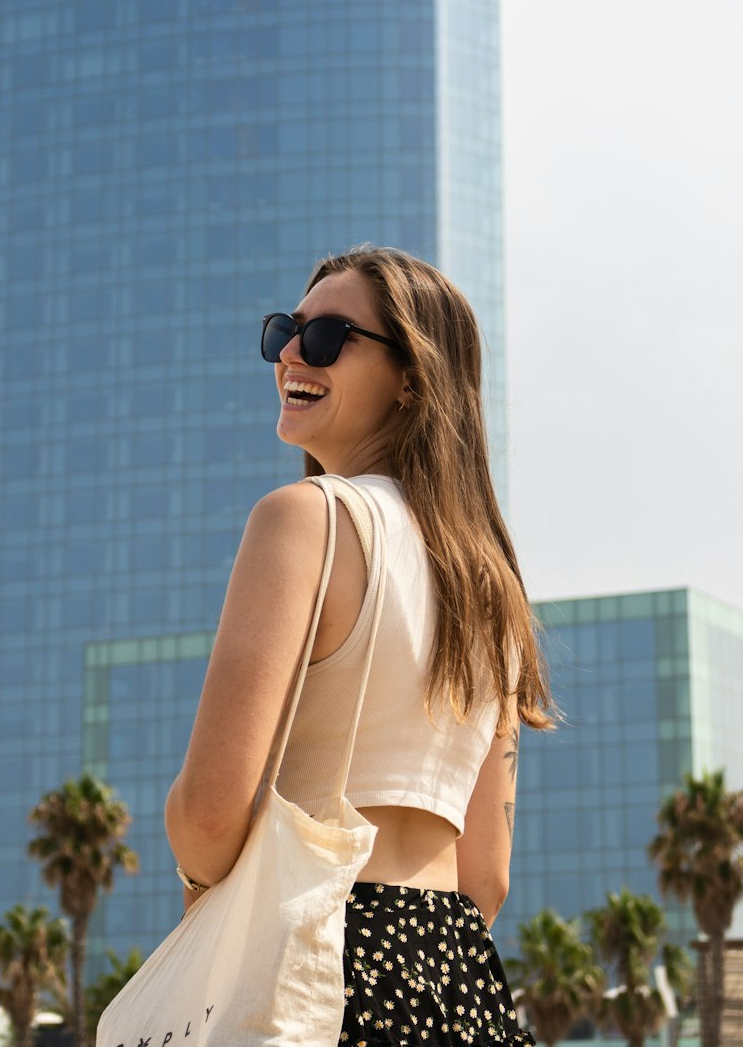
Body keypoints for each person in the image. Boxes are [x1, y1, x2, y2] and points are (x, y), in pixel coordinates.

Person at [165, 246, 553, 1044]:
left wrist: (197, 882)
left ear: (413, 375)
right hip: (460, 977)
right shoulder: (494, 589)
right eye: (286, 333)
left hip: (319, 961)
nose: (291, 358)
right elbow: (487, 875)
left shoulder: (305, 519)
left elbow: (210, 815)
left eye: (329, 336)